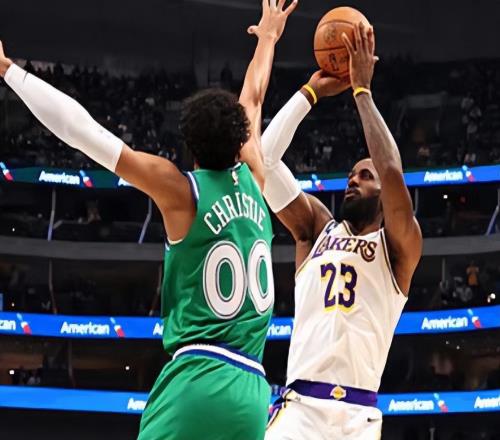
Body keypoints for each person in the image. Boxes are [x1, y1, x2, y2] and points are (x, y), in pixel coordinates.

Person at [0, 1, 297, 438]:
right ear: (241, 140)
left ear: (189, 146)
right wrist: (268, 38)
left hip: (197, 377)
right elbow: (253, 96)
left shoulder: (182, 192)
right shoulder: (255, 177)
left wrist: (9, 70)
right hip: (253, 389)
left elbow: (84, 132)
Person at [261, 23, 422, 439]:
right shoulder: (315, 228)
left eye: (364, 176)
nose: (353, 179)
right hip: (299, 409)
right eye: (351, 174)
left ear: (385, 195)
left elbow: (391, 170)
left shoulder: (398, 248)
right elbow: (264, 160)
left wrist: (362, 92)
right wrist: (308, 94)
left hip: (357, 416)